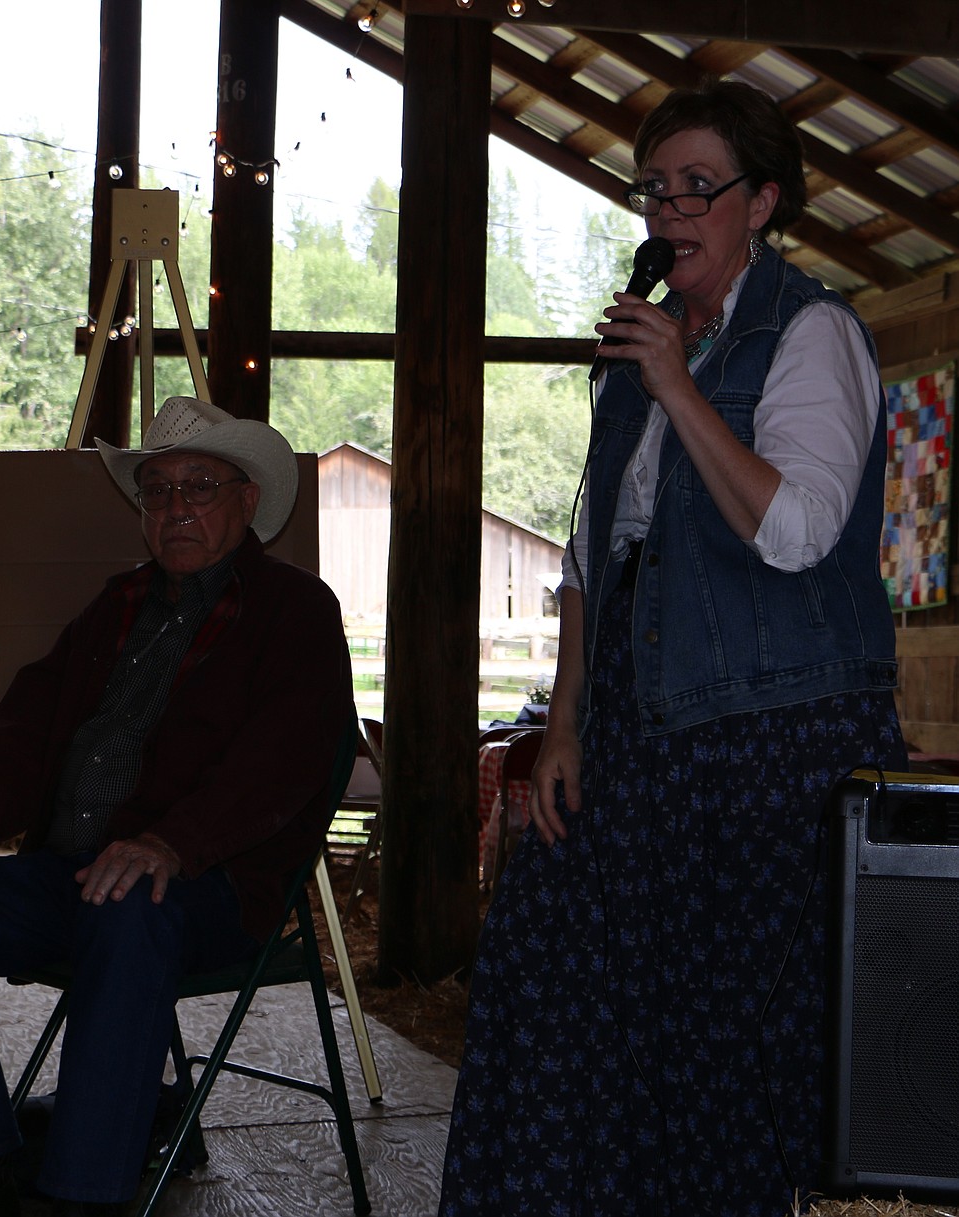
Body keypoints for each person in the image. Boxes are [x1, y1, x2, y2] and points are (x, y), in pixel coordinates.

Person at [439, 80, 906, 1216]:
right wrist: (565, 719)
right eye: (658, 187)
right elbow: (600, 553)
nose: (675, 208)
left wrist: (678, 387)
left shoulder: (812, 332)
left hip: (769, 742)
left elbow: (796, 530)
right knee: (568, 995)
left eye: (704, 185)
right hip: (640, 733)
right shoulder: (640, 351)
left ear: (765, 203)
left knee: (725, 1045)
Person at [0, 396, 354, 1217]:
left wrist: (171, 842)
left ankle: (82, 1194)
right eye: (157, 491)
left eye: (199, 487)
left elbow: (281, 765)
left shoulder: (294, 611)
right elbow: (23, 738)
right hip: (70, 876)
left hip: (208, 885)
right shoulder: (114, 608)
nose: (176, 508)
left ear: (246, 499)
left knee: (130, 906)